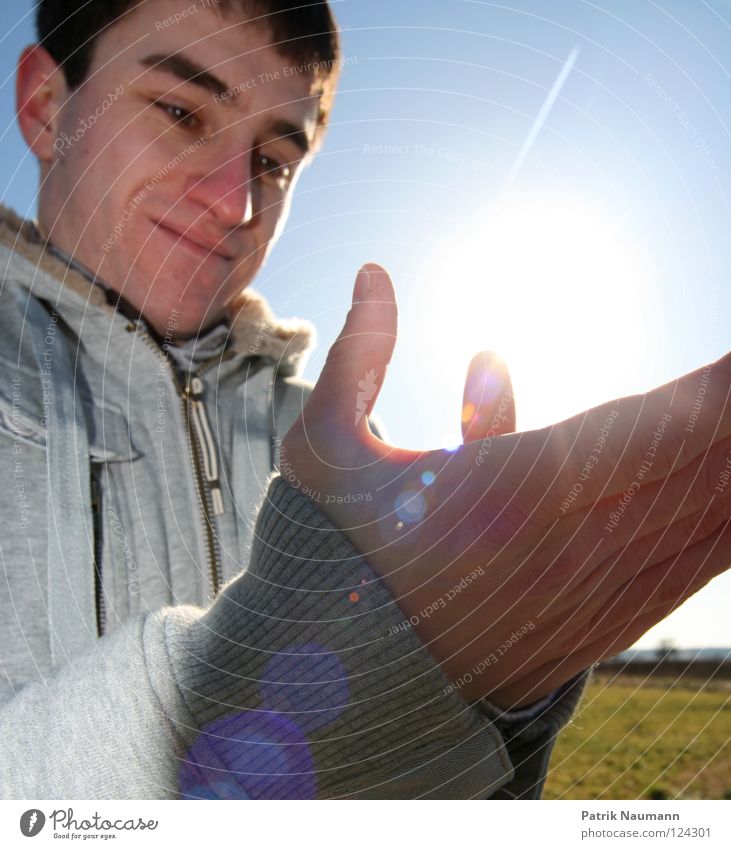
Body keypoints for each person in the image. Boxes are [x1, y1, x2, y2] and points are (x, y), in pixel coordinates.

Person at [0, 0, 728, 800]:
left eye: (274, 162)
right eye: (180, 111)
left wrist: (493, 692)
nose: (235, 203)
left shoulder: (338, 451)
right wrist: (239, 679)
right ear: (46, 106)